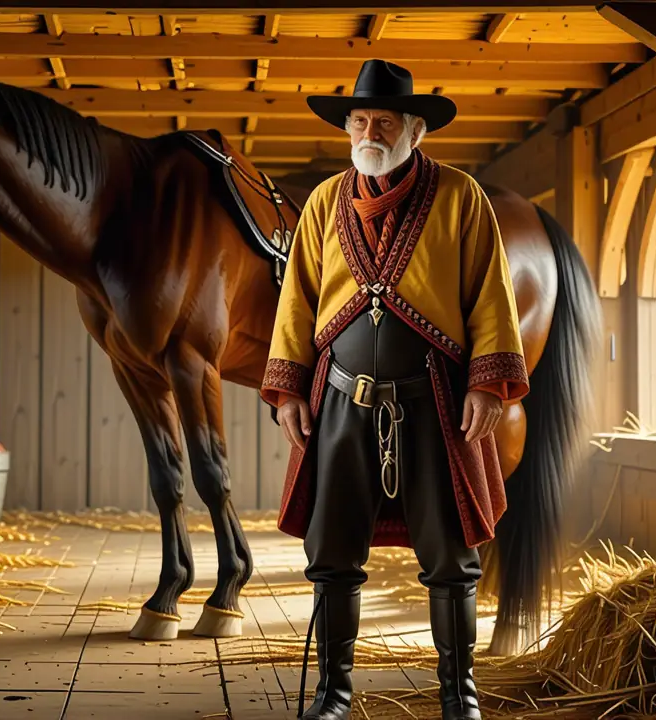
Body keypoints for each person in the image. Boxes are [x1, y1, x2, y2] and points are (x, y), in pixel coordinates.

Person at [259, 60, 529, 720]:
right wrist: (289, 390)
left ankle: (457, 695)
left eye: (382, 121)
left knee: (451, 554)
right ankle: (333, 693)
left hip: (435, 398)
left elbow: (490, 293)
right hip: (339, 400)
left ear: (415, 129)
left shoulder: (461, 196)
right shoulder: (325, 200)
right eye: (358, 121)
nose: (367, 131)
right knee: (331, 551)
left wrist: (489, 385)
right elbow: (296, 301)